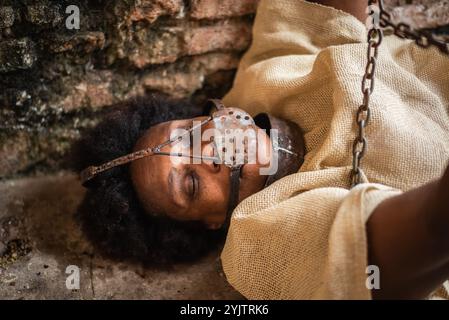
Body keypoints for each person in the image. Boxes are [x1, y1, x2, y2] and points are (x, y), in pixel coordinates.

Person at [74, 0, 449, 299]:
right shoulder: (258, 242)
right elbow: (430, 230)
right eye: (190, 183)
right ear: (210, 222)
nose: (209, 148)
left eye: (188, 133)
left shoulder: (261, 75)